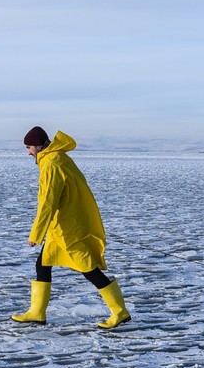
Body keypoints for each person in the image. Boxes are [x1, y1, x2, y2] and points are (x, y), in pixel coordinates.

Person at [11, 126, 131, 329]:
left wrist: (36, 234)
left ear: (39, 146)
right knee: (43, 264)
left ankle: (120, 312)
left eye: (30, 147)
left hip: (68, 229)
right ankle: (37, 312)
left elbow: (48, 203)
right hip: (62, 227)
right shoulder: (57, 158)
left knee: (88, 269)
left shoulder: (52, 163)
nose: (28, 152)